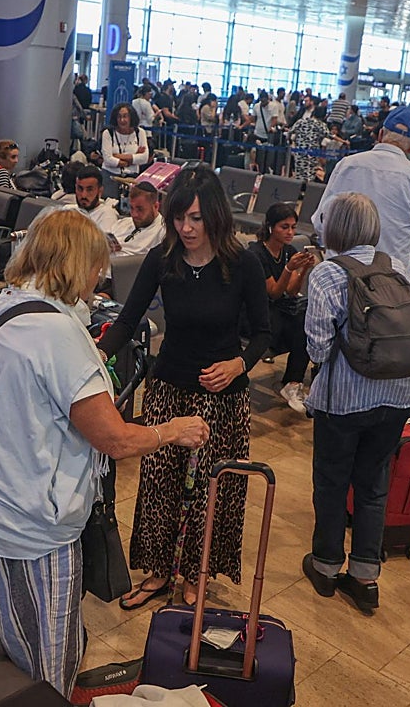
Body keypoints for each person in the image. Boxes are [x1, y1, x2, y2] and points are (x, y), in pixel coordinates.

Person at [0, 208, 207, 695]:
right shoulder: (59, 337)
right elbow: (113, 438)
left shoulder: (7, 304)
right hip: (30, 524)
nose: (101, 276)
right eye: (95, 265)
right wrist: (171, 431)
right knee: (50, 656)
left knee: (14, 624)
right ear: (75, 264)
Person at [97, 165, 270, 609]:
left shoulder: (242, 263)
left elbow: (266, 335)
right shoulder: (163, 259)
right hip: (169, 388)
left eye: (195, 219)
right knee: (159, 484)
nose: (186, 228)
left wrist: (238, 364)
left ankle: (197, 572)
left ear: (215, 217)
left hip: (221, 397)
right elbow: (128, 318)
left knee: (209, 491)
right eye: (179, 218)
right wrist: (98, 355)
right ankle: (157, 572)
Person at [300, 192, 410, 615]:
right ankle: (366, 577)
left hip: (344, 401)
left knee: (332, 484)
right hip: (400, 394)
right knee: (373, 486)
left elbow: (317, 349)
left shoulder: (326, 274)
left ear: (334, 227)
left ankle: (327, 566)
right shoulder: (398, 268)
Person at [312, 104, 410, 276]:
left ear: (380, 134)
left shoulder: (347, 165)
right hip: (389, 288)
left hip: (339, 275)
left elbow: (320, 223)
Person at [248, 203, 315, 414]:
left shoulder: (289, 251)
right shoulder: (256, 253)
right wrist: (289, 268)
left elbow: (292, 291)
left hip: (280, 309)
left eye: (293, 227)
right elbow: (274, 292)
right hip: (257, 311)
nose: (290, 232)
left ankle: (293, 383)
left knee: (307, 319)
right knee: (299, 324)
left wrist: (303, 269)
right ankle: (292, 383)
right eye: (284, 227)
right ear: (270, 227)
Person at [109, 181, 165, 257]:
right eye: (131, 208)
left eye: (140, 209)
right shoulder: (121, 223)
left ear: (155, 206)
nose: (134, 214)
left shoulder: (163, 232)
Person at [101, 102, 149, 177]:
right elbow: (107, 160)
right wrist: (133, 157)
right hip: (110, 174)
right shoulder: (108, 133)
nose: (122, 120)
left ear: (131, 117)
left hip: (132, 175)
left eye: (125, 116)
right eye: (119, 117)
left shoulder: (140, 133)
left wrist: (117, 156)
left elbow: (144, 158)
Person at [70, 165, 120, 233]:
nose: (83, 195)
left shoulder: (106, 215)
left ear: (100, 191)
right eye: (80, 189)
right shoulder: (68, 210)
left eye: (89, 190)